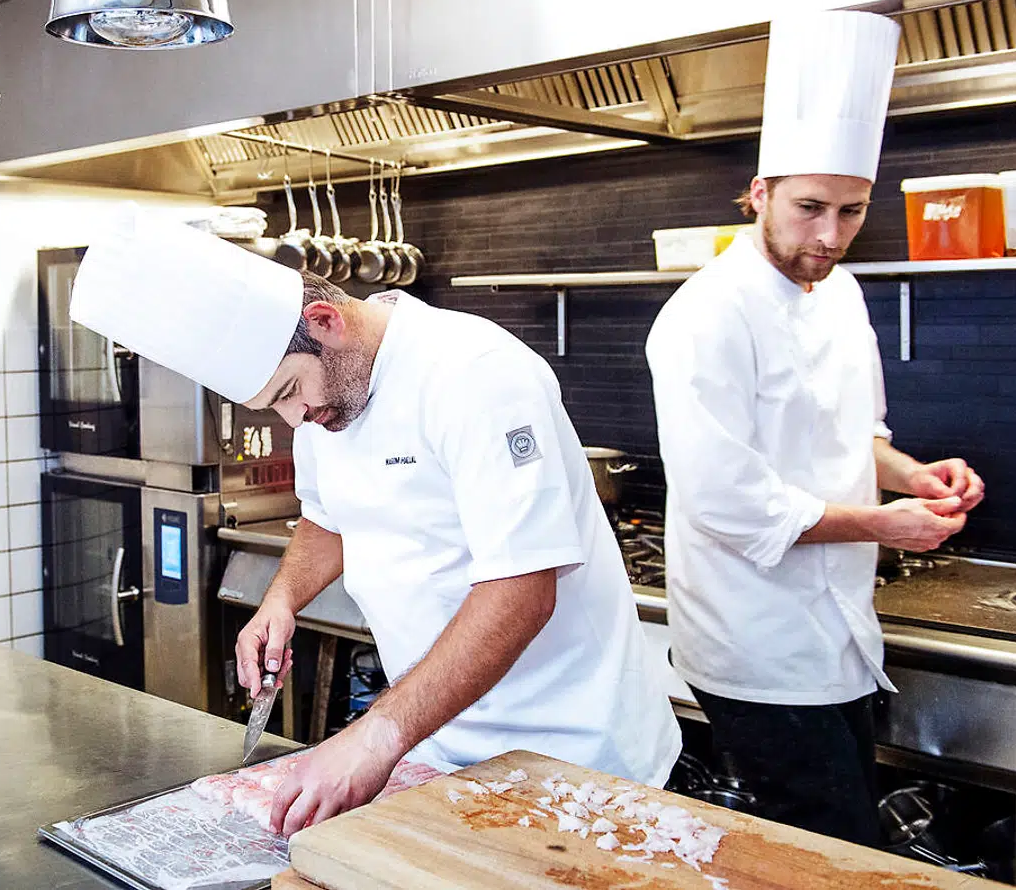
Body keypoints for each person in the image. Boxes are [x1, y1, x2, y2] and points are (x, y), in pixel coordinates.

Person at [71, 206, 681, 839]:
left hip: (574, 759)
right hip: (437, 745)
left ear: (325, 321)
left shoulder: (474, 374)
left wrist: (373, 738)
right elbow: (328, 518)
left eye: (287, 391)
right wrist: (282, 601)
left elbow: (522, 591)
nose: (294, 418)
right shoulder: (325, 403)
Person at [644, 10, 985, 846]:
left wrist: (912, 476)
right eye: (808, 207)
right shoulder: (704, 318)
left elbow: (853, 433)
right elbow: (728, 501)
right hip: (754, 641)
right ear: (758, 193)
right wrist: (882, 524)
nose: (828, 237)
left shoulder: (841, 291)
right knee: (828, 850)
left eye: (852, 211)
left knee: (838, 844)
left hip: (840, 630)